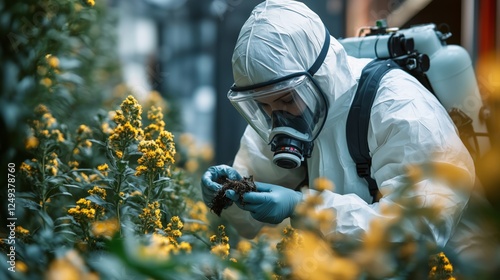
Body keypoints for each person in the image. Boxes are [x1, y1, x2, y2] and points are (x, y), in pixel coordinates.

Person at [201, 0, 497, 273]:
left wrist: (303, 207)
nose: (278, 117)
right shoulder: (284, 114)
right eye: (263, 106)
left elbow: (419, 229)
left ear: (319, 76)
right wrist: (229, 196)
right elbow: (249, 219)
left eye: (287, 100)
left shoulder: (399, 107)